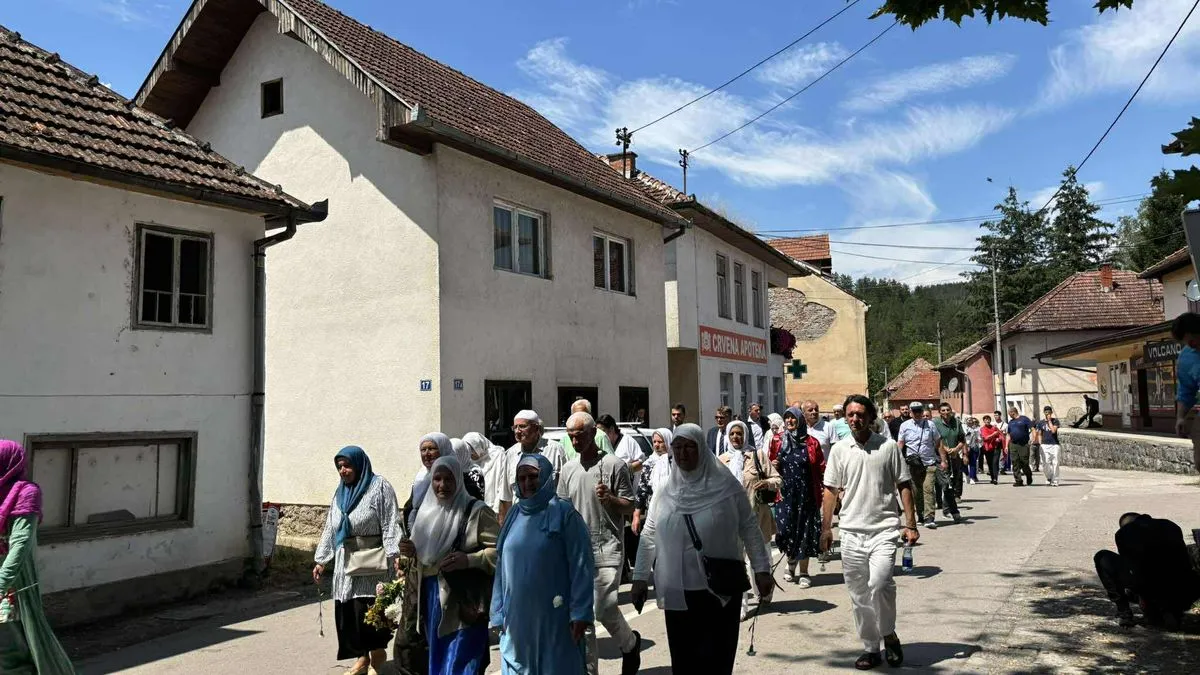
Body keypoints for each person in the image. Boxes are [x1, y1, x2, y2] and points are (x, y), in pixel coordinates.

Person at [631, 424, 773, 675]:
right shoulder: (664, 492)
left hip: (719, 591)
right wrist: (640, 577)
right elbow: (649, 534)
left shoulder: (726, 487)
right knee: (684, 660)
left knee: (717, 659)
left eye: (689, 447)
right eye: (678, 447)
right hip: (679, 591)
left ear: (702, 449)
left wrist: (762, 569)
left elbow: (750, 528)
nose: (683, 453)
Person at [821, 396, 919, 671]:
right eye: (850, 415)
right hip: (851, 531)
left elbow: (904, 484)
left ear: (871, 417)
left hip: (884, 529)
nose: (855, 419)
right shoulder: (840, 450)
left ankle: (888, 633)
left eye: (860, 414)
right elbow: (830, 490)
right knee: (859, 594)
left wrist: (910, 524)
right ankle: (871, 647)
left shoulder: (887, 447)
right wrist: (826, 529)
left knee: (880, 583)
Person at [491, 454, 594, 674]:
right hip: (518, 619)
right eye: (522, 478)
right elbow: (502, 567)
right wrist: (497, 610)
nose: (527, 483)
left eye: (533, 476)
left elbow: (581, 564)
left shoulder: (564, 515)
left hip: (555, 619)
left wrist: (580, 612)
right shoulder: (514, 515)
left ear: (546, 477)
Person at [556, 413, 641, 675]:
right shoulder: (569, 469)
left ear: (593, 433)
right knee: (585, 615)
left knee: (603, 609)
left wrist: (612, 500)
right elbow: (562, 508)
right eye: (571, 435)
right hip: (576, 552)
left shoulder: (615, 465)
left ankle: (630, 644)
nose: (575, 440)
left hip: (608, 547)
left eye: (580, 434)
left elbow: (630, 505)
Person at [400, 456, 497, 675]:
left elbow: (501, 552)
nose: (442, 485)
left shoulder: (476, 511)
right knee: (439, 660)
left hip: (463, 601)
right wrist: (411, 554)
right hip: (431, 599)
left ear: (459, 481)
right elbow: (426, 559)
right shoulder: (425, 513)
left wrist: (470, 559)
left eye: (448, 479)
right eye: (437, 479)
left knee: (460, 662)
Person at [313, 446, 401, 675]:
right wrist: (322, 560)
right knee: (349, 611)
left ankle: (377, 655)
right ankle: (362, 658)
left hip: (372, 561)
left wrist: (395, 554)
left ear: (360, 464)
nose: (343, 470)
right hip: (346, 563)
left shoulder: (378, 487)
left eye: (347, 465)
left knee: (370, 609)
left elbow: (391, 521)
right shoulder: (340, 493)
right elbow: (330, 529)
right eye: (339, 466)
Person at [0, 441, 75, 675]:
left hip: (10, 584)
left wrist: (1, 584)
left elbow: (20, 544)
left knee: (10, 650)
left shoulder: (26, 493)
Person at [1093, 512, 1200, 629]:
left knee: (1102, 557)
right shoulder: (1170, 525)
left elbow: (1130, 565)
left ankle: (1124, 613)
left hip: (1148, 585)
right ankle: (1170, 610)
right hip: (1184, 584)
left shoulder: (1123, 533)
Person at [736, 420, 782, 621]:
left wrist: (767, 483)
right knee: (740, 563)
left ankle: (763, 591)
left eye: (739, 433)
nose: (736, 437)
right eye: (732, 434)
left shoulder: (757, 456)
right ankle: (742, 606)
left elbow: (777, 479)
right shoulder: (723, 460)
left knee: (761, 558)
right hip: (732, 521)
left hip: (757, 517)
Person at [774, 406, 825, 586]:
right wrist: (774, 465)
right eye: (786, 418)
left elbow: (821, 468)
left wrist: (828, 490)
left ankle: (803, 572)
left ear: (800, 420)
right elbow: (770, 467)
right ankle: (791, 562)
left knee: (805, 532)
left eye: (793, 418)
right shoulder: (778, 441)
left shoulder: (811, 443)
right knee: (786, 530)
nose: (789, 421)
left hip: (807, 495)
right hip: (785, 495)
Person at [598, 413, 647, 577]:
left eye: (603, 431)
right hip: (610, 498)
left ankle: (631, 568)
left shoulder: (627, 442)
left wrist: (626, 468)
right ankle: (623, 569)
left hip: (628, 494)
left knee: (629, 534)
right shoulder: (601, 444)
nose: (600, 435)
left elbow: (641, 463)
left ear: (612, 430)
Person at [497, 410, 566, 523]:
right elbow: (505, 496)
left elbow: (565, 492)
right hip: (520, 521)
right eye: (515, 427)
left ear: (536, 428)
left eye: (522, 426)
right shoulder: (510, 454)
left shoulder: (555, 450)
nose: (518, 431)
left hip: (550, 519)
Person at [896, 402, 946, 528]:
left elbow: (938, 443)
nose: (917, 413)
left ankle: (930, 517)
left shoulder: (930, 425)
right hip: (912, 464)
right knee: (916, 491)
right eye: (915, 411)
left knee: (928, 489)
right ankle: (921, 515)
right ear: (911, 412)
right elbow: (900, 444)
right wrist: (896, 461)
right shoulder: (904, 426)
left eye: (919, 411)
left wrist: (943, 460)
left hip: (929, 462)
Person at [633, 428, 673, 537]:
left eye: (660, 442)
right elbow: (642, 490)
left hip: (673, 513)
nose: (656, 445)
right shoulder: (649, 464)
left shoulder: (675, 464)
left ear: (668, 441)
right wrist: (636, 515)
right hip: (653, 513)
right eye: (654, 442)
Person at [1174, 312, 1200, 472]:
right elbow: (1186, 390)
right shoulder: (1187, 357)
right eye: (1186, 343)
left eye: (1192, 340)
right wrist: (1181, 418)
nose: (1191, 345)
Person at [932, 403, 963, 524]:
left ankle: (947, 508)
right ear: (939, 412)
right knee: (947, 484)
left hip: (954, 456)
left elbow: (962, 439)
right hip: (940, 458)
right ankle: (952, 511)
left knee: (953, 483)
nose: (945, 412)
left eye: (947, 410)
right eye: (943, 410)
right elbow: (936, 440)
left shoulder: (956, 422)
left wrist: (956, 449)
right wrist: (944, 448)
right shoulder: (935, 423)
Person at [463, 431, 505, 512]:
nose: (471, 453)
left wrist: (498, 508)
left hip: (495, 505)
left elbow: (502, 483)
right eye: (468, 450)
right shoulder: (469, 462)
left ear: (479, 445)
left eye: (472, 449)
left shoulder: (498, 455)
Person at [1006, 408, 1036, 487]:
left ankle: (1028, 475)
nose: (1009, 415)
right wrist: (1006, 445)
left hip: (1023, 444)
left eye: (1009, 413)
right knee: (1015, 462)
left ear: (1013, 412)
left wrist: (1033, 438)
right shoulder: (1010, 422)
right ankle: (1018, 480)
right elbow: (1008, 434)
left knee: (1024, 462)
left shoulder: (1024, 419)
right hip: (1013, 444)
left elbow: (1032, 429)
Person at [1035, 406, 1062, 487]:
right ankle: (1049, 477)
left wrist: (1050, 421)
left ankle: (1055, 480)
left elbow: (1053, 431)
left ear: (1051, 413)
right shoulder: (1040, 423)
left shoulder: (1055, 421)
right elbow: (1039, 434)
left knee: (1055, 463)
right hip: (1044, 445)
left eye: (1049, 412)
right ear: (1044, 413)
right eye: (1046, 412)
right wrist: (1040, 443)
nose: (1048, 414)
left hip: (1054, 445)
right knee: (1045, 463)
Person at [979, 415, 1003, 485]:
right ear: (984, 421)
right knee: (990, 463)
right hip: (987, 448)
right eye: (986, 420)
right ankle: (992, 478)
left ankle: (995, 478)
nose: (987, 421)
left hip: (996, 447)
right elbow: (985, 438)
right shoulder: (982, 429)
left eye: (988, 419)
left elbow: (1000, 435)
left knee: (995, 463)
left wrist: (999, 439)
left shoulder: (994, 427)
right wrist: (993, 434)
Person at [964, 417, 982, 486]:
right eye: (968, 420)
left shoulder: (976, 429)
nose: (970, 421)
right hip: (965, 448)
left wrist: (979, 439)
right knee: (964, 463)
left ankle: (972, 478)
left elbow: (980, 438)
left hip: (974, 447)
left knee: (973, 463)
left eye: (971, 420)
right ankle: (967, 474)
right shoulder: (963, 428)